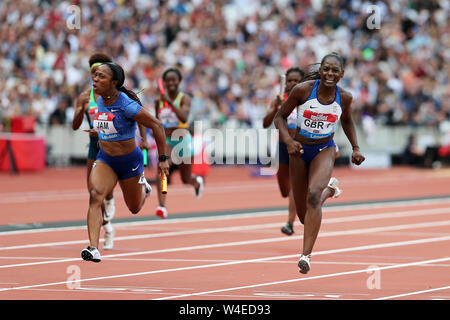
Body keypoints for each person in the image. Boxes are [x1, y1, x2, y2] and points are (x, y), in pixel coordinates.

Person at [274, 52, 365, 274]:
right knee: (305, 217)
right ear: (321, 69)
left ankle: (305, 255)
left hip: (324, 149)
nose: (330, 74)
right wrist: (288, 141)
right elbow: (279, 118)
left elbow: (347, 121)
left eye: (335, 70)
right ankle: (331, 190)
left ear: (341, 74)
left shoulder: (344, 97)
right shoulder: (303, 90)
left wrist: (355, 147)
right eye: (326, 69)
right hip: (299, 150)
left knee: (313, 194)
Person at [80, 62, 170, 263]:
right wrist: (100, 131)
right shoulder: (99, 98)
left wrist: (163, 159)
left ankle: (144, 188)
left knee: (134, 207)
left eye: (101, 77)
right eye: (95, 75)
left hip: (129, 161)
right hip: (106, 159)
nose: (95, 79)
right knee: (95, 195)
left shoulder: (126, 105)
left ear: (114, 83)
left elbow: (156, 124)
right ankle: (93, 247)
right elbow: (108, 122)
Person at [72, 53, 116, 250]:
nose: (96, 76)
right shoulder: (84, 97)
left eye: (100, 73)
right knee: (92, 190)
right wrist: (81, 110)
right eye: (93, 73)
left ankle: (111, 197)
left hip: (110, 145)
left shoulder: (112, 95)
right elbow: (74, 125)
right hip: (93, 146)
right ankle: (108, 229)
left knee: (103, 189)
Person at [153, 67, 204, 219]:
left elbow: (183, 118)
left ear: (179, 81)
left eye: (173, 80)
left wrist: (170, 103)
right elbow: (157, 122)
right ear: (164, 83)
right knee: (161, 169)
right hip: (167, 140)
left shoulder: (184, 99)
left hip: (182, 139)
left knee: (185, 179)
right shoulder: (158, 101)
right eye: (167, 80)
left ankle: (196, 182)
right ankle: (161, 206)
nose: (171, 83)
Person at [263, 68, 304, 236]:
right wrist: (276, 109)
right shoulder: (280, 100)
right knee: (284, 190)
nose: (293, 83)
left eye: (296, 80)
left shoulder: (306, 100)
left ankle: (289, 223)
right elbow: (265, 123)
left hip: (298, 146)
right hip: (282, 147)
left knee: (294, 186)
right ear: (285, 83)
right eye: (290, 80)